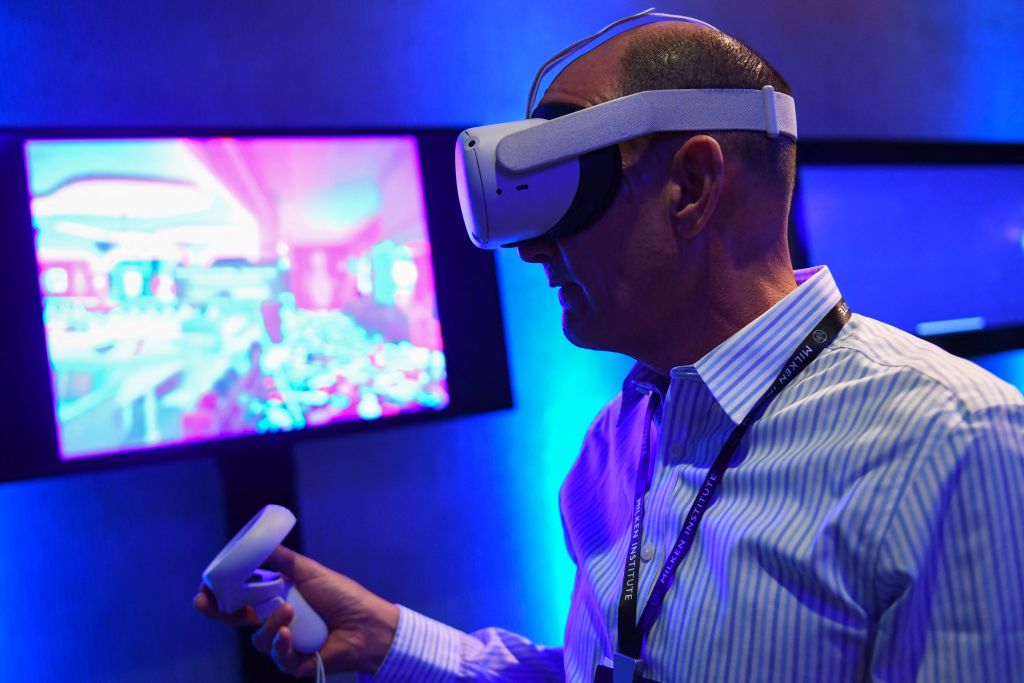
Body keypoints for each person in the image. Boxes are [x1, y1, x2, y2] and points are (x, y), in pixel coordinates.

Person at [195, 17, 1024, 683]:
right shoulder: (615, 445)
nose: (532, 249)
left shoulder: (953, 442)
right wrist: (391, 638)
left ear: (692, 188)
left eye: (571, 190)